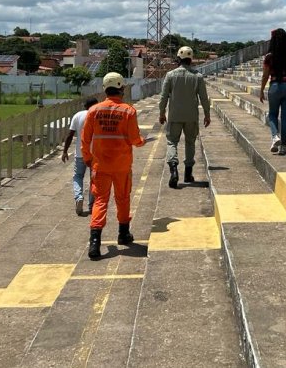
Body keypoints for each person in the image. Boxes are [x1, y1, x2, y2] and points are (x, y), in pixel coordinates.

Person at [82, 72, 146, 260]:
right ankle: (123, 234)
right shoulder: (128, 111)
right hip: (122, 166)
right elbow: (135, 139)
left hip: (100, 165)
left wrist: (87, 158)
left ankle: (95, 242)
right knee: (123, 199)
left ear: (105, 89)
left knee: (100, 201)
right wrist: (142, 141)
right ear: (120, 88)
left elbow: (85, 140)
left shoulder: (93, 111)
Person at [159, 46, 211, 188]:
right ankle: (188, 173)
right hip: (191, 116)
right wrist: (207, 114)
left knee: (172, 142)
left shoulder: (170, 75)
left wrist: (162, 112)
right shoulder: (197, 76)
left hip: (175, 115)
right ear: (191, 59)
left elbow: (164, 96)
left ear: (178, 59)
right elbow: (204, 98)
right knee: (190, 142)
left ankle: (174, 169)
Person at [259, 28, 286, 155]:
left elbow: (265, 76)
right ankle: (283, 146)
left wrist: (262, 90)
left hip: (275, 86)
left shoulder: (269, 57)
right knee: (285, 117)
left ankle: (275, 136)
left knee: (272, 114)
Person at [62, 96, 98, 216]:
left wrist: (65, 151)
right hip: (95, 154)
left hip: (80, 152)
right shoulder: (98, 114)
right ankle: (92, 205)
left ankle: (79, 197)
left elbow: (70, 134)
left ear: (85, 106)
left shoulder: (78, 115)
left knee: (78, 176)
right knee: (94, 179)